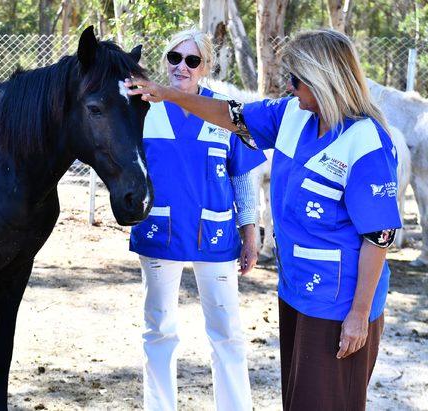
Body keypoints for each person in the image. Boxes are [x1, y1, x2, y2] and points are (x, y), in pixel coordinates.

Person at [126, 28, 402, 410]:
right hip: (297, 294)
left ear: (322, 79)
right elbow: (230, 115)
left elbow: (379, 236)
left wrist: (358, 315)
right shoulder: (292, 114)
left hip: (340, 303)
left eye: (295, 79)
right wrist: (171, 94)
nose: (288, 87)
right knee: (300, 399)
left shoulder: (366, 141)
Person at [129, 28, 266, 411]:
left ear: (205, 66)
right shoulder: (143, 107)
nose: (181, 67)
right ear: (165, 61)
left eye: (191, 60)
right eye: (174, 58)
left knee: (227, 333)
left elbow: (242, 175)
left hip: (216, 235)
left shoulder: (226, 109)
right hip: (161, 232)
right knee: (159, 329)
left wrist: (250, 232)